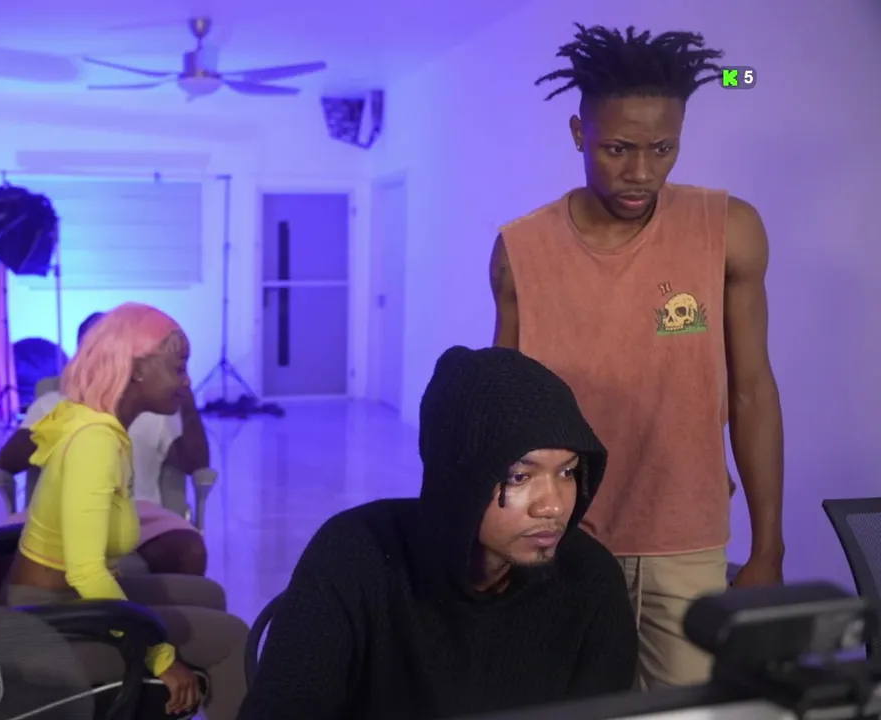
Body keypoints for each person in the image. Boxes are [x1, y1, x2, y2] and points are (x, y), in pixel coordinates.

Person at [489, 25, 785, 689]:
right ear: (579, 133)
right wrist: (492, 542)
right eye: (618, 148)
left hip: (685, 536)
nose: (642, 172)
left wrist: (768, 544)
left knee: (684, 709)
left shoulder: (729, 230)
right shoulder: (520, 253)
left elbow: (752, 391)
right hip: (556, 535)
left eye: (662, 149)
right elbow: (501, 414)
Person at [239, 346, 637, 720]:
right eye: (520, 476)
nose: (553, 506)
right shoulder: (353, 556)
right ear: (458, 478)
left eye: (567, 472)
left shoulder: (591, 580)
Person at [4, 302, 247, 719]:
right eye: (178, 368)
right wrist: (162, 658)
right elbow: (86, 573)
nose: (187, 381)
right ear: (136, 369)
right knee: (231, 638)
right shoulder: (95, 441)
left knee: (211, 595)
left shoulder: (98, 424)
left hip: (65, 605)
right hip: (53, 622)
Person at [0, 311, 212, 576]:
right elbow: (7, 462)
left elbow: (195, 463)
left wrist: (187, 406)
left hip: (139, 512)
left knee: (189, 551)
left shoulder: (156, 403)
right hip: (59, 511)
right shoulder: (52, 405)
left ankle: (156, 603)